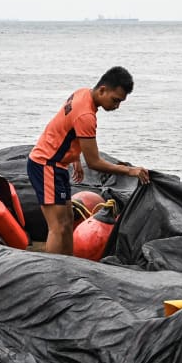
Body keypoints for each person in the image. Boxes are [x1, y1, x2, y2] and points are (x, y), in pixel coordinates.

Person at [27, 66, 150, 255]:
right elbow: (94, 163)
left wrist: (74, 157)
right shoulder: (87, 116)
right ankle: (53, 271)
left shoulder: (82, 93)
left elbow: (66, 127)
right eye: (115, 100)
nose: (117, 106)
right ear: (102, 90)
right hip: (46, 164)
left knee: (67, 220)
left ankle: (69, 263)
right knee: (57, 227)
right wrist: (129, 171)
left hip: (57, 164)